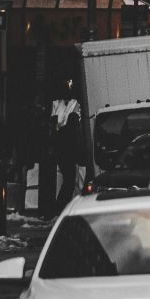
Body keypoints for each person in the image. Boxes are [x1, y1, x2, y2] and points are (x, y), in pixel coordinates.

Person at [49, 81, 85, 210]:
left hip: (63, 148)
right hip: (66, 149)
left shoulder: (74, 103)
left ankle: (61, 205)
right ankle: (61, 206)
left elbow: (56, 125)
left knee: (68, 180)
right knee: (70, 181)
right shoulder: (58, 104)